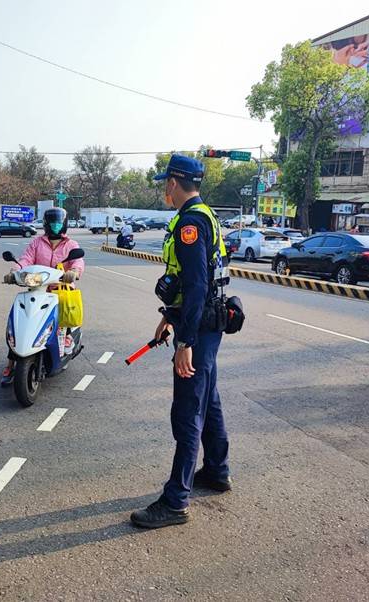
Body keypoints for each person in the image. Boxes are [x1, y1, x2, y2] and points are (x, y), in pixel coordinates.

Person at [130, 154, 231, 529]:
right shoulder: (205, 214)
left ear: (173, 183)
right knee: (209, 399)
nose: (165, 191)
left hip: (198, 330)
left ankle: (175, 502)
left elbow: (197, 285)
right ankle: (217, 470)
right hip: (206, 324)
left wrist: (185, 341)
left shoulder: (189, 223)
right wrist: (168, 318)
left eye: (165, 184)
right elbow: (192, 285)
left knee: (188, 410)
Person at [0, 207, 85, 386]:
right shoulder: (37, 243)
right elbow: (26, 259)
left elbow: (78, 261)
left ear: (64, 224)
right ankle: (11, 363)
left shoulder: (71, 244)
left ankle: (67, 336)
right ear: (46, 224)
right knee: (20, 323)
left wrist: (74, 271)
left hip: (61, 288)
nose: (55, 225)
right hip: (38, 289)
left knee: (63, 310)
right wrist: (14, 272)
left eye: (58, 222)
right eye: (52, 222)